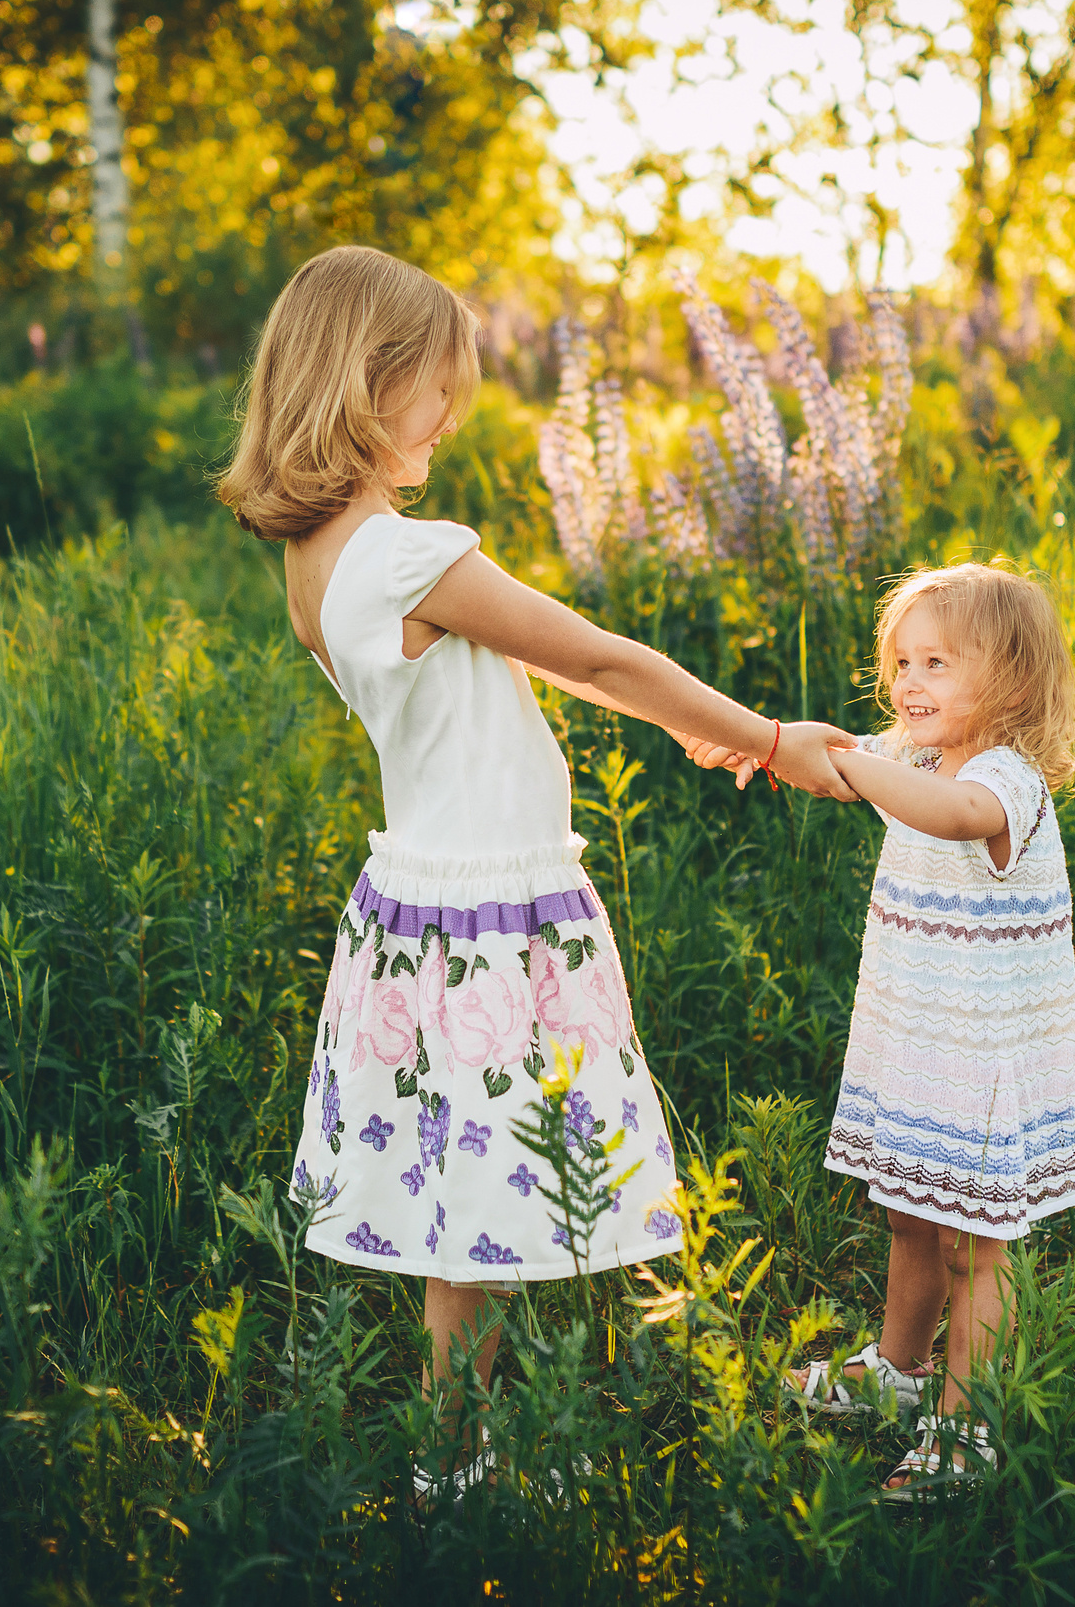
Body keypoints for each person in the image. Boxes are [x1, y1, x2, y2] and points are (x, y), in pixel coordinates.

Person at [214, 246, 858, 1497]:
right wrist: (771, 739)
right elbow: (600, 653)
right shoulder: (410, 554)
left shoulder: (320, 563)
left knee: (459, 1183)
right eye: (437, 390)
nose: (450, 416)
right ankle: (474, 1457)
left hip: (417, 905)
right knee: (495, 1176)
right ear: (366, 381)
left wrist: (687, 721)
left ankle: (460, 1449)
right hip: (490, 915)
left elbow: (541, 656)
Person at [680, 561, 1075, 1499]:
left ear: (1011, 678)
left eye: (936, 664)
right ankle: (900, 1373)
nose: (908, 683)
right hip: (922, 1038)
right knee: (911, 1214)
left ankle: (967, 1425)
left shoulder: (1002, 780)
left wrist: (857, 765)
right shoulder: (917, 753)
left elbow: (949, 816)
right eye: (902, 662)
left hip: (984, 1056)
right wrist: (755, 742)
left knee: (974, 1243)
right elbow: (835, 763)